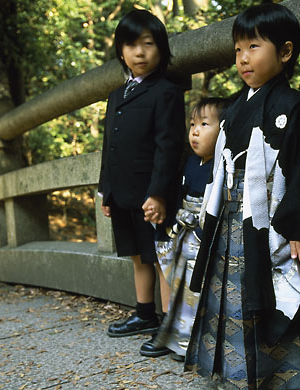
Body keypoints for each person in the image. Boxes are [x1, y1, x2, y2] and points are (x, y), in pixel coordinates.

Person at [185, 3, 300, 389]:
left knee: (281, 291)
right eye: (238, 50)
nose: (243, 59)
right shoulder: (233, 109)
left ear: (285, 51)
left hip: (275, 221)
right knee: (234, 296)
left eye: (253, 47)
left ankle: (289, 379)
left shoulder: (294, 107)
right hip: (232, 218)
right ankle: (235, 375)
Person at [98, 9, 185, 342]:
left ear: (160, 49)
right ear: (121, 51)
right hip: (122, 191)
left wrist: (159, 193)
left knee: (159, 257)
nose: (140, 52)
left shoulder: (166, 92)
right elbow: (110, 146)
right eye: (131, 45)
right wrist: (106, 190)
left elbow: (168, 147)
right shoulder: (117, 96)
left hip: (151, 194)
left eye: (148, 44)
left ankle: (169, 324)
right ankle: (144, 314)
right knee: (137, 255)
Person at [140, 97, 230, 361]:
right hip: (184, 233)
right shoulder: (190, 162)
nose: (195, 131)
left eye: (204, 124)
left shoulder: (223, 165)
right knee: (180, 288)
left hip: (205, 236)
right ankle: (176, 338)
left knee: (199, 290)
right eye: (192, 124)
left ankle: (192, 342)